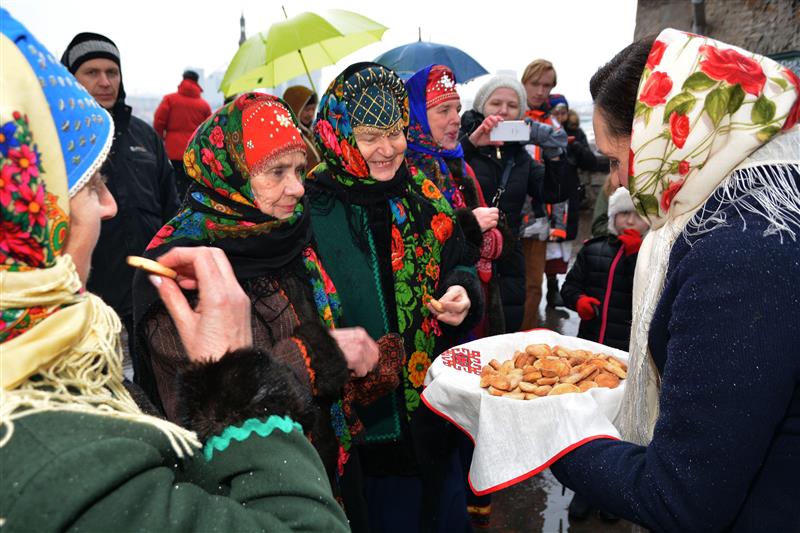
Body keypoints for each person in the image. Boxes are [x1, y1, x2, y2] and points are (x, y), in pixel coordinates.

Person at [0, 10, 349, 532]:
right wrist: (254, 369)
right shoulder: (63, 456)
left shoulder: (291, 232)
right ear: (31, 209)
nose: (111, 205)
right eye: (92, 185)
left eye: (300, 170)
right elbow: (186, 427)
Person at [550, 29, 800, 531]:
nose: (617, 182)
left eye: (617, 161)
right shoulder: (766, 203)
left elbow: (681, 498)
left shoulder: (742, 253)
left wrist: (546, 436)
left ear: (668, 133)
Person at [133, 92, 399, 527]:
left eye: (298, 169)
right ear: (230, 175)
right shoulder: (181, 264)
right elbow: (207, 406)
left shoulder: (283, 230)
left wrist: (355, 377)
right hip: (245, 492)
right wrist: (321, 355)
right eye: (276, 172)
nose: (297, 186)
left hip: (316, 466)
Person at [306, 62, 483, 532]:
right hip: (365, 433)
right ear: (341, 133)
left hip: (434, 411)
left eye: (395, 132)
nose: (387, 149)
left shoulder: (423, 191)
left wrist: (462, 292)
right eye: (368, 136)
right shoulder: (311, 207)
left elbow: (458, 258)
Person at [61, 32, 179, 366]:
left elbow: (171, 207)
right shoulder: (62, 139)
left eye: (112, 72)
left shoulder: (145, 136)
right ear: (70, 79)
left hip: (149, 294)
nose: (105, 82)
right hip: (92, 299)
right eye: (92, 72)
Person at [405, 64, 512, 339]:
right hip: (436, 321)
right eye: (444, 111)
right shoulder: (406, 173)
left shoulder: (456, 163)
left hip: (473, 303)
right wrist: (471, 227)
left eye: (458, 109)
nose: (456, 119)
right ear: (415, 115)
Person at [461, 74, 572, 332]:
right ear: (481, 107)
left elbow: (554, 192)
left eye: (512, 106)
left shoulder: (520, 158)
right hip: (467, 252)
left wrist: (554, 153)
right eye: (495, 103)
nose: (503, 111)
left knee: (506, 326)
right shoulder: (463, 143)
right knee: (468, 328)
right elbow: (442, 172)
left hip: (509, 255)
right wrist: (471, 144)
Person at [518, 59, 574, 327]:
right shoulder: (508, 116)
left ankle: (526, 340)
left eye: (547, 85)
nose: (541, 91)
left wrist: (559, 225)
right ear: (523, 82)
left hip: (537, 218)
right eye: (535, 84)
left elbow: (560, 176)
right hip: (505, 214)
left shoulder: (553, 124)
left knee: (532, 285)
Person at [542, 94, 597, 308]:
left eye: (563, 112)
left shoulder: (575, 133)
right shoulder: (544, 130)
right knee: (548, 244)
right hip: (548, 193)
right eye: (556, 112)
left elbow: (591, 162)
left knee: (563, 243)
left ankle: (558, 289)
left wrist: (575, 148)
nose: (560, 117)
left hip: (568, 194)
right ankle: (551, 287)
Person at [153, 69, 212, 199]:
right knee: (191, 187)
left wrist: (160, 141)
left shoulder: (170, 99)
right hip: (194, 153)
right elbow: (209, 131)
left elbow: (159, 122)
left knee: (172, 187)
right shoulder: (204, 106)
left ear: (183, 79)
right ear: (197, 82)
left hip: (172, 152)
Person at [283, 85, 321, 170]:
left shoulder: (312, 132)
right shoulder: (290, 139)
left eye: (313, 109)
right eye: (307, 110)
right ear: (294, 109)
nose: (311, 114)